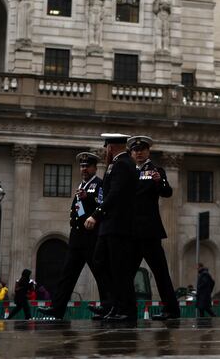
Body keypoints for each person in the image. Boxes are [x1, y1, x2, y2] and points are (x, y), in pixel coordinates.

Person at [44, 151, 111, 321]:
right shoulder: (81, 186)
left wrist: (87, 198)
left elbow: (102, 205)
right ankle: (57, 308)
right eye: (82, 166)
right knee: (67, 273)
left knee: (100, 273)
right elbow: (79, 210)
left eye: (87, 166)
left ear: (94, 168)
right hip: (77, 237)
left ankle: (107, 306)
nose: (84, 169)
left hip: (91, 237)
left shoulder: (99, 184)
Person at [84, 133, 139, 325]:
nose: (105, 151)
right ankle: (114, 304)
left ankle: (127, 309)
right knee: (100, 262)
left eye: (106, 147)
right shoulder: (117, 164)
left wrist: (96, 214)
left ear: (110, 147)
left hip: (118, 225)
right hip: (110, 225)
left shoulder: (123, 164)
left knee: (120, 269)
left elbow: (115, 194)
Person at [128, 136, 181, 321]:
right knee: (126, 273)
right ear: (131, 153)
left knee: (160, 272)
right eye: (135, 150)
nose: (139, 153)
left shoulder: (155, 171)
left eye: (142, 150)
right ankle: (124, 309)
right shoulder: (129, 172)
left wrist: (159, 181)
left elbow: (167, 192)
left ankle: (171, 310)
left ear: (148, 151)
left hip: (149, 231)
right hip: (131, 231)